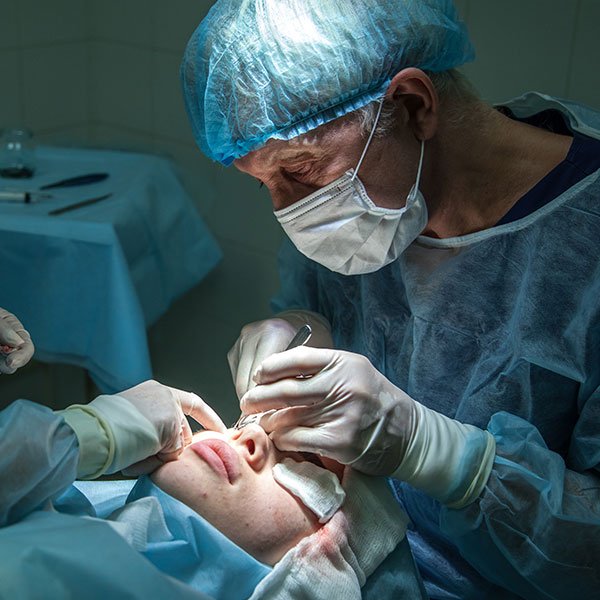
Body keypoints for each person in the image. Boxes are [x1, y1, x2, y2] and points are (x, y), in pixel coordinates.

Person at [181, 1, 600, 598]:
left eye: (300, 169)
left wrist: (444, 456)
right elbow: (320, 300)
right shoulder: (368, 202)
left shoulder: (584, 247)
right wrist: (299, 325)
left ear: (411, 105)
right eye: (264, 183)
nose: (287, 209)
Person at [0, 307, 423, 598]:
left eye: (303, 467)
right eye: (251, 424)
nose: (251, 437)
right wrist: (83, 435)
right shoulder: (53, 506)